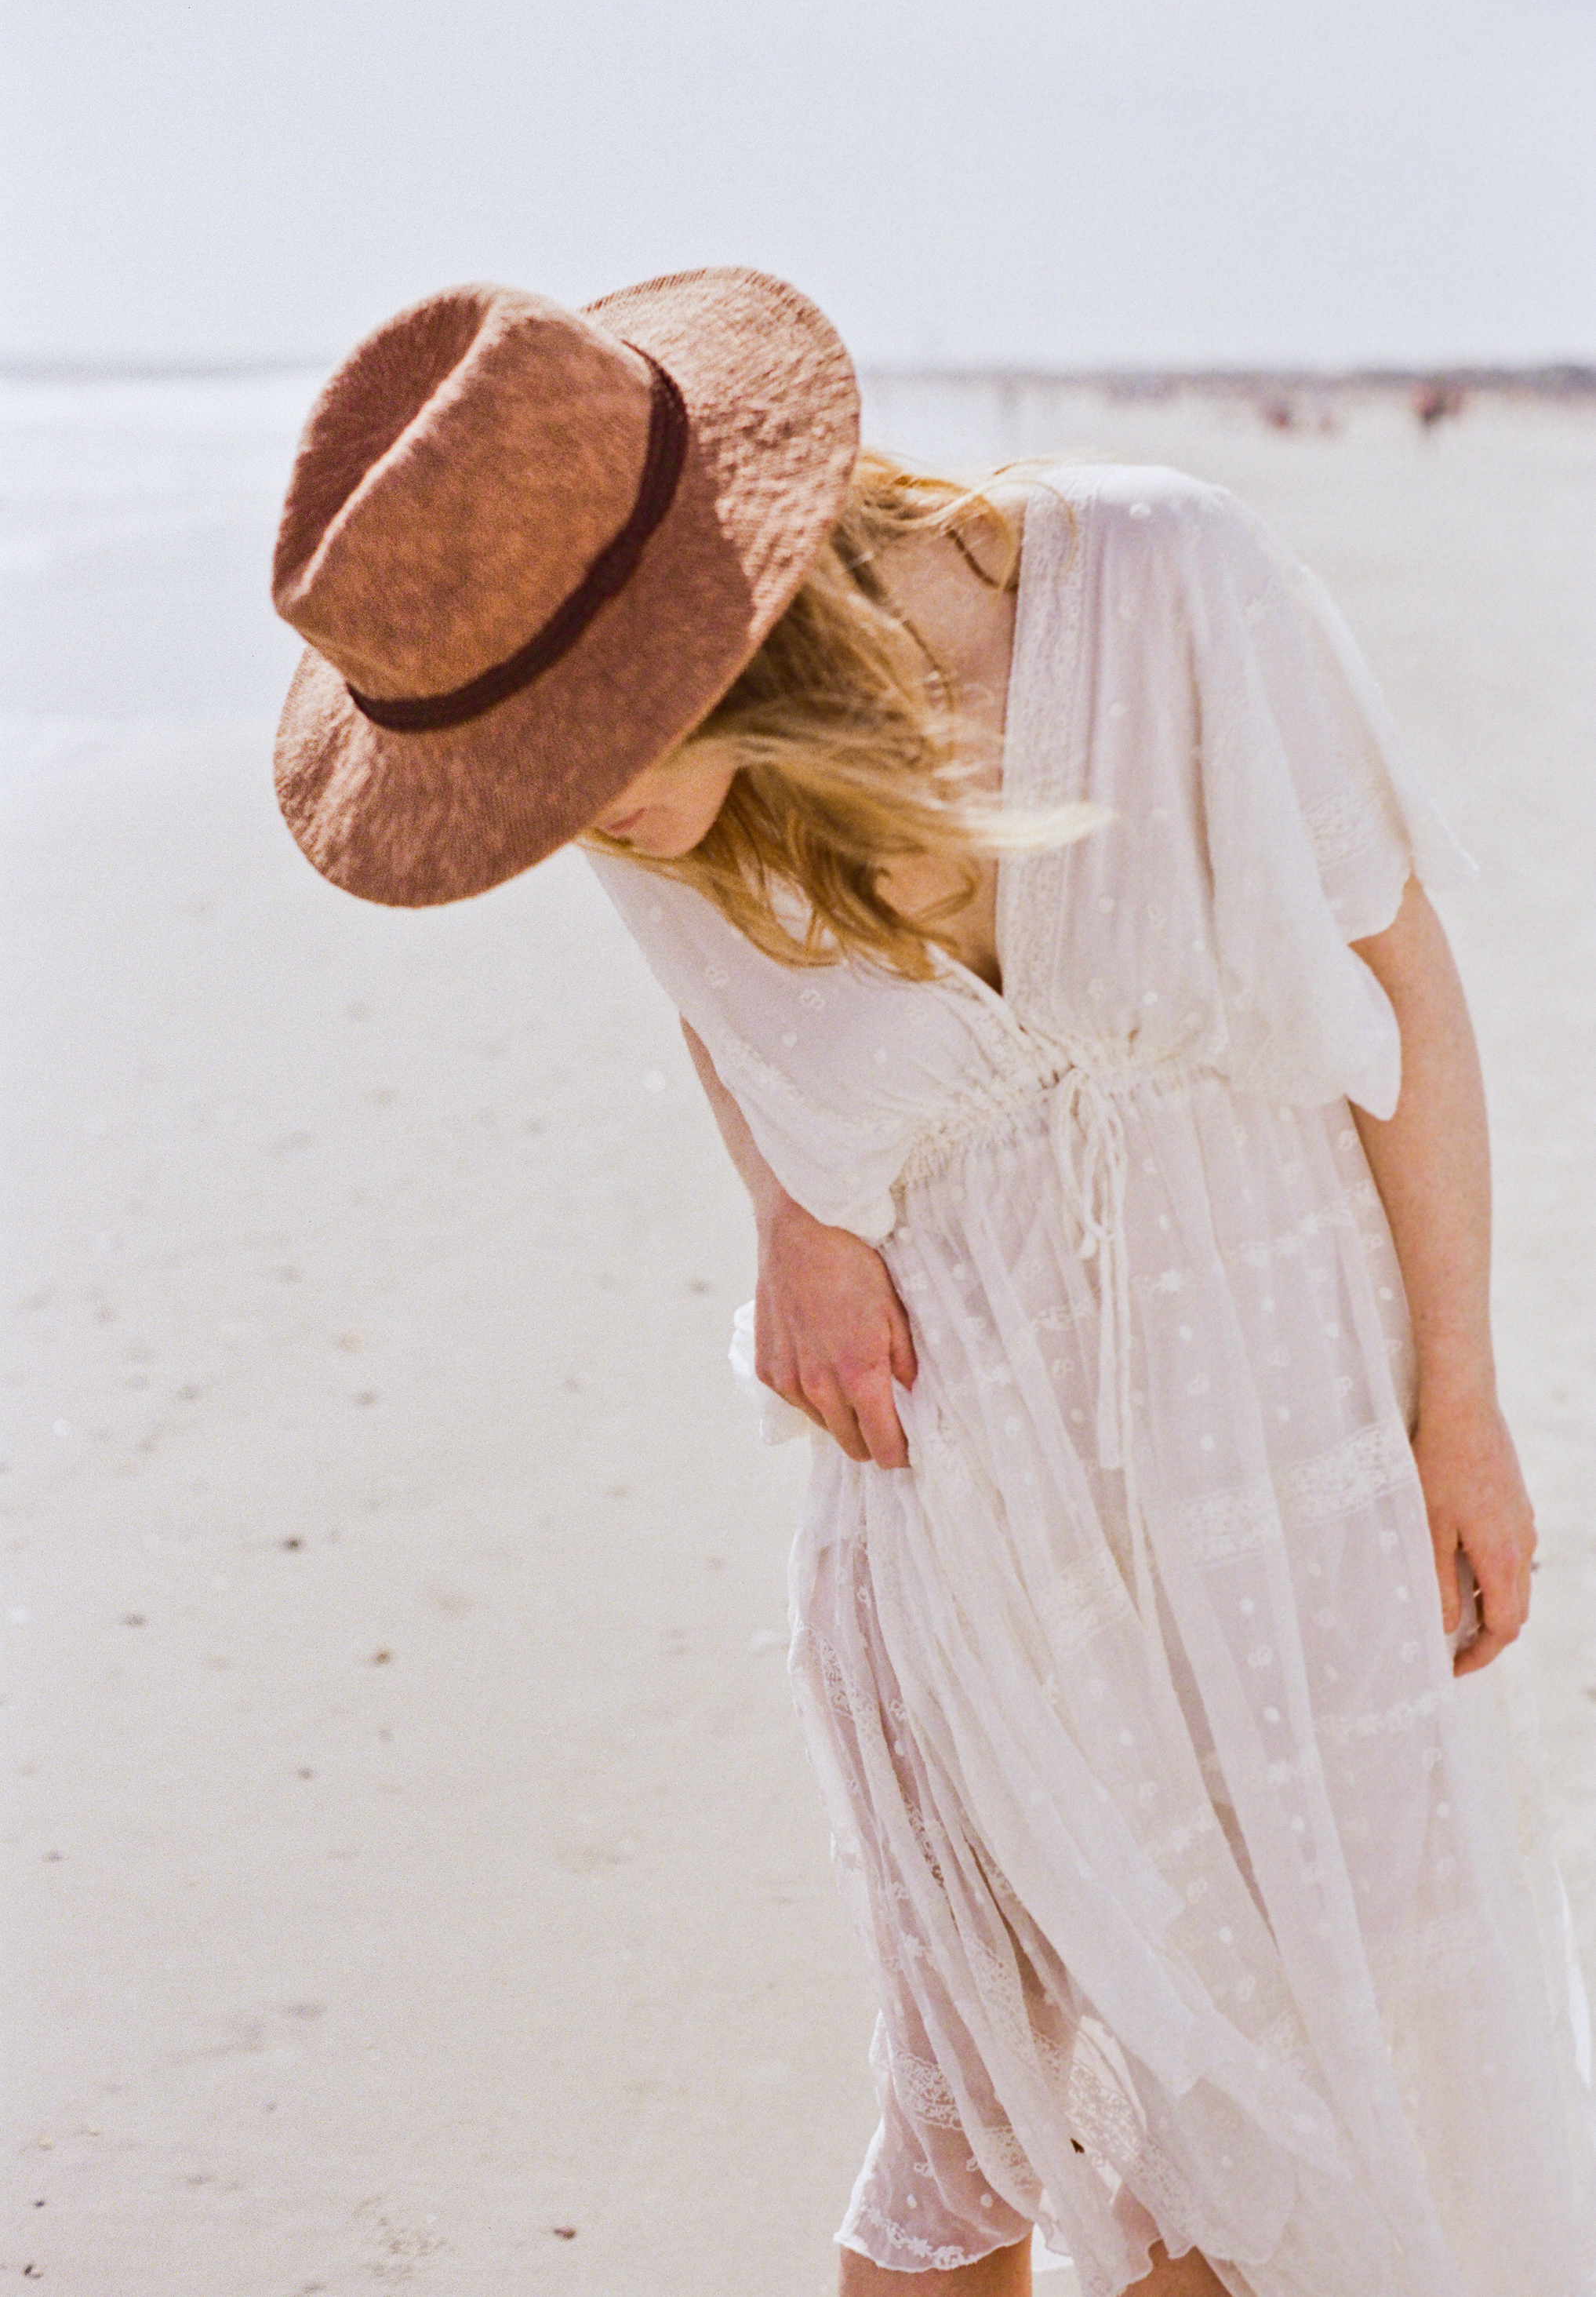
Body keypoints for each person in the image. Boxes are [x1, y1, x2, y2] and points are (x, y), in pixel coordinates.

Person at [269, 270, 1596, 2296]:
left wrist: (1461, 1404)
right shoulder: (649, 818)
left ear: (703, 627)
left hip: (1284, 1435)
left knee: (1265, 2109)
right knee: (964, 2118)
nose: (563, 825)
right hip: (960, 1476)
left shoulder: (1168, 584)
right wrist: (790, 1221)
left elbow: (1402, 989)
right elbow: (736, 1031)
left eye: (572, 749)